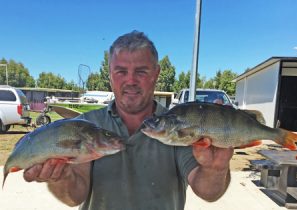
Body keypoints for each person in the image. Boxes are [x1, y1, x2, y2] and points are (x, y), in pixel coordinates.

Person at [23, 31, 233, 210]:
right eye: (121, 71)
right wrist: (61, 178)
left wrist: (217, 168)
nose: (131, 80)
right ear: (110, 75)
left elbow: (208, 192)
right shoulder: (85, 125)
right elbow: (74, 196)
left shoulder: (178, 125)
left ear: (156, 73)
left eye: (141, 71)